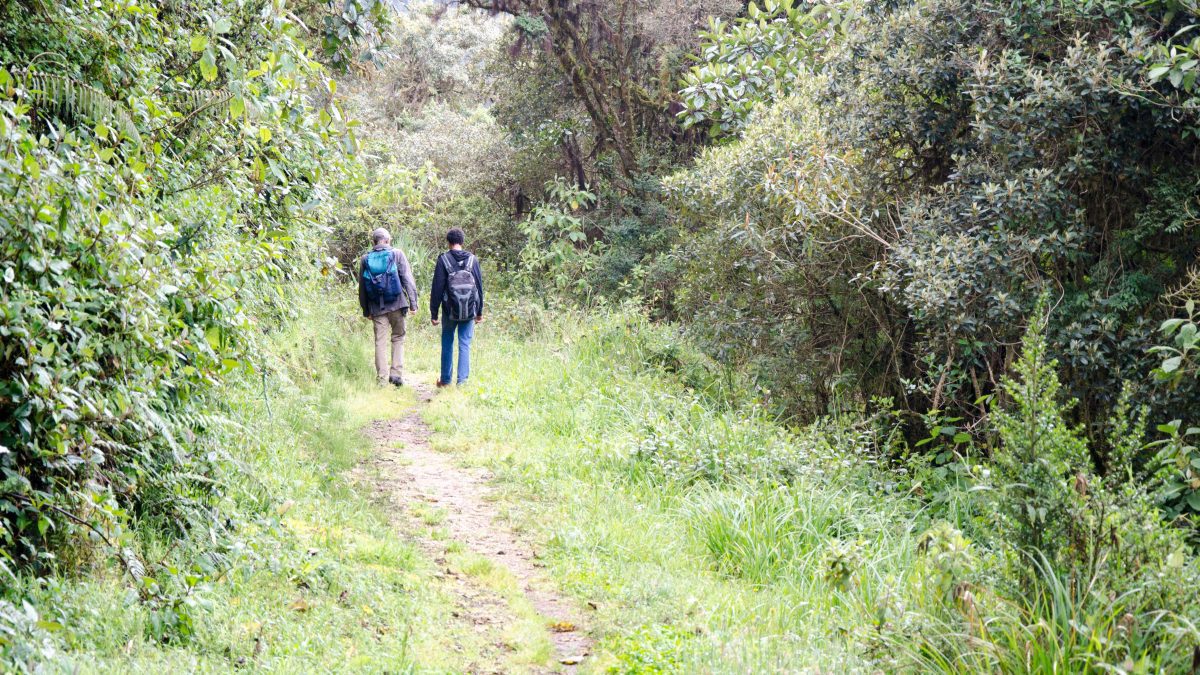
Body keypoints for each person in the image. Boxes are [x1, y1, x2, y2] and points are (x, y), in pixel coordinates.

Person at [358, 228, 418, 387]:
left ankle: (382, 380)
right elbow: (407, 279)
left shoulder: (365, 259)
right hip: (397, 304)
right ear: (387, 240)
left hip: (377, 308)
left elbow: (362, 287)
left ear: (374, 242)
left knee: (380, 342)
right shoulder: (397, 254)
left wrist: (366, 310)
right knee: (398, 337)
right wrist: (413, 303)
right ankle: (396, 375)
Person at [430, 228, 484, 387]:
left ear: (448, 242)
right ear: (462, 242)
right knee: (465, 343)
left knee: (447, 342)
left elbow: (437, 288)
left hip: (449, 311)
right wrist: (479, 311)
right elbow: (479, 288)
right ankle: (462, 382)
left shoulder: (443, 260)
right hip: (469, 310)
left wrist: (434, 313)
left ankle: (445, 381)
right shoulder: (472, 260)